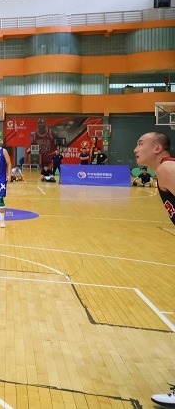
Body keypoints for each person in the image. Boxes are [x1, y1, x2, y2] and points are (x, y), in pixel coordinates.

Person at [135, 133, 175, 408]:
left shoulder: (166, 169)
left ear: (157, 148)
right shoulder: (164, 171)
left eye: (141, 143)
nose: (135, 148)